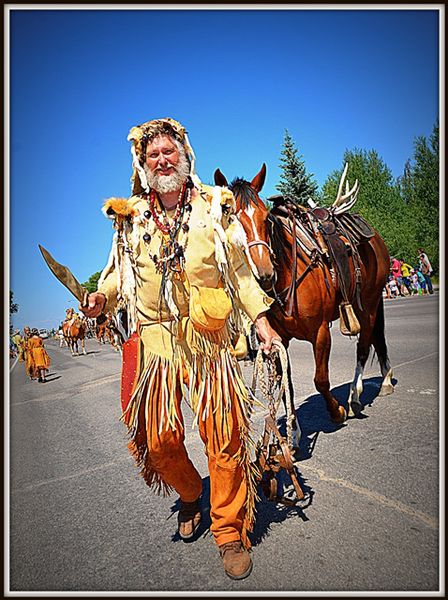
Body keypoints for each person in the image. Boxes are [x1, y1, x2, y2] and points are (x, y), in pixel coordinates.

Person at [80, 117, 281, 580]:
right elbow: (116, 278)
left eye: (170, 152)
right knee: (160, 444)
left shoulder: (214, 207)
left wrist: (262, 321)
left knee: (225, 437)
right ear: (143, 164)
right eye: (154, 155)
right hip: (157, 346)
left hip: (208, 344)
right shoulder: (130, 218)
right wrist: (99, 299)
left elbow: (239, 271)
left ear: (185, 155)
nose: (163, 160)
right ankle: (190, 493)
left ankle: (229, 529)